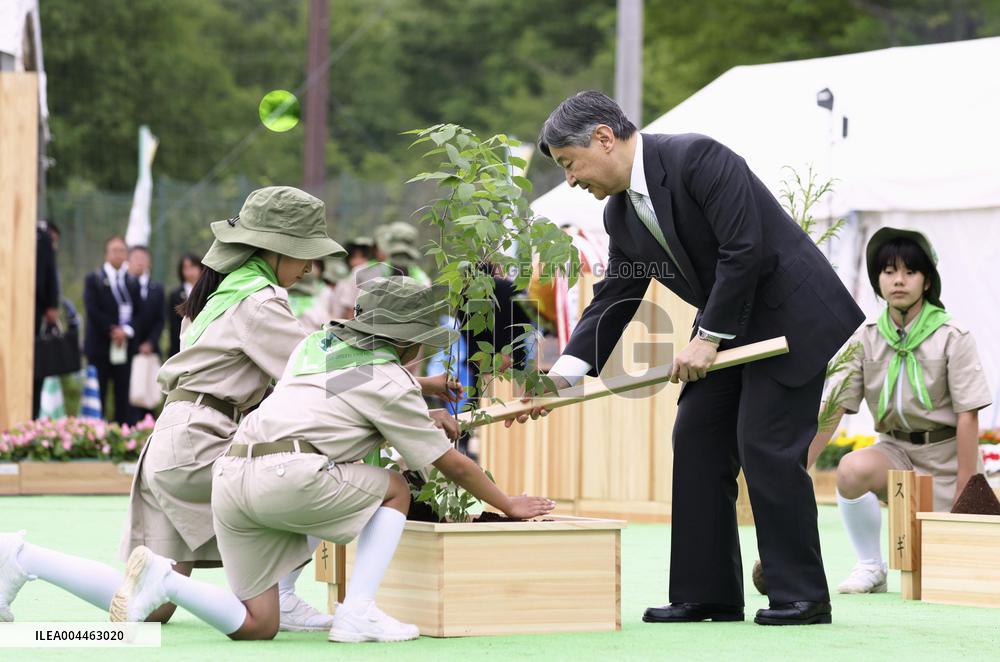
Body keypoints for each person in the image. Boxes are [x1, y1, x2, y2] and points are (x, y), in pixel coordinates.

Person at [533, 90, 865, 625]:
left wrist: (707, 335)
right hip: (730, 323)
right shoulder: (621, 214)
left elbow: (744, 249)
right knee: (696, 437)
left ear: (603, 138)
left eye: (570, 165)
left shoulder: (698, 158)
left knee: (765, 444)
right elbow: (619, 293)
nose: (571, 180)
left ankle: (801, 596)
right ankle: (706, 594)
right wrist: (564, 377)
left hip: (790, 315)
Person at [108, 276, 556, 642]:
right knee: (393, 488)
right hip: (286, 477)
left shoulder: (317, 348)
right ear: (411, 343)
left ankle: (166, 584)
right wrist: (507, 503)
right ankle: (357, 612)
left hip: (230, 475)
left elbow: (339, 391)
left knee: (258, 624)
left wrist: (420, 392)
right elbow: (449, 462)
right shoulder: (388, 381)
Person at [806, 228, 991, 594]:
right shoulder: (866, 337)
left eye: (910, 272)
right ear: (878, 279)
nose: (899, 281)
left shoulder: (953, 335)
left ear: (927, 280)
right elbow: (836, 405)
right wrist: (798, 468)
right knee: (851, 468)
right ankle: (871, 566)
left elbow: (968, 414)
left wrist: (966, 488)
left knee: (952, 579)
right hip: (895, 452)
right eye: (889, 271)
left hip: (946, 458)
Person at [83, 235, 143, 425]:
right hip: (100, 345)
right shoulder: (94, 279)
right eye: (114, 250)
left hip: (124, 346)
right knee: (98, 391)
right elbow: (92, 309)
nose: (118, 255)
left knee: (123, 393)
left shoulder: (131, 282)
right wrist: (111, 329)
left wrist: (126, 330)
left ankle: (121, 435)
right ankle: (95, 435)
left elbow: (140, 312)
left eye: (122, 251)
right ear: (106, 254)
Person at [127, 245, 166, 419]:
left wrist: (150, 342)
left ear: (149, 262)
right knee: (128, 394)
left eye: (143, 259)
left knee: (149, 392)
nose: (140, 263)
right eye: (136, 258)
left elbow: (160, 320)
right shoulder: (124, 286)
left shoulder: (157, 289)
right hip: (128, 349)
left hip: (150, 350)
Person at [32, 220, 61, 418]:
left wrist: (50, 305)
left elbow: (48, 274)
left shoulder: (40, 235)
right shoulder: (42, 236)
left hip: (31, 310)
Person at [167, 253, 202, 357]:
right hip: (180, 346)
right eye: (186, 267)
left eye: (193, 266)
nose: (190, 271)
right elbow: (173, 325)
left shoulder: (208, 291)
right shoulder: (175, 294)